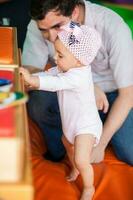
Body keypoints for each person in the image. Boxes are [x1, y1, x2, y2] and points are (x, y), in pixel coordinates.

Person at [22, 0, 133, 165]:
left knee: (128, 151)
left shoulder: (112, 26)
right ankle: (60, 150)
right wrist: (88, 86)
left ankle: (98, 131)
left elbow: (128, 95)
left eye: (57, 26)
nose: (52, 37)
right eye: (44, 31)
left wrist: (100, 146)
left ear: (74, 12)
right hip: (70, 86)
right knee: (39, 100)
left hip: (113, 95)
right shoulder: (41, 22)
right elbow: (31, 71)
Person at [20, 21, 102, 200]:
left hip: (86, 126)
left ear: (79, 60)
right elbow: (50, 74)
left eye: (60, 55)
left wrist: (33, 81)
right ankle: (74, 168)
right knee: (67, 144)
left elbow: (56, 82)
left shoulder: (78, 77)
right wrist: (33, 78)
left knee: (81, 159)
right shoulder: (68, 66)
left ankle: (89, 187)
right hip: (71, 124)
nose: (55, 58)